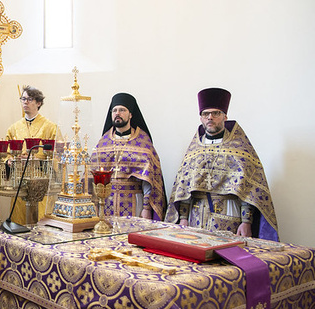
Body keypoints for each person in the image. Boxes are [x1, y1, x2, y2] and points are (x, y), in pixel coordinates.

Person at [165, 88, 279, 240]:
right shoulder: (194, 150)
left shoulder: (239, 147)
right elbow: (184, 186)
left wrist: (246, 222)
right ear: (201, 118)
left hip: (229, 212)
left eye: (216, 113)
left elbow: (250, 188)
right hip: (196, 215)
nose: (210, 117)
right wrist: (183, 218)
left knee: (226, 258)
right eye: (206, 114)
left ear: (225, 116)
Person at [91, 93, 166, 220]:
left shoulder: (143, 142)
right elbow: (91, 176)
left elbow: (149, 179)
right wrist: (94, 204)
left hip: (134, 202)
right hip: (106, 202)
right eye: (114, 110)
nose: (117, 113)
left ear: (130, 114)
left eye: (122, 110)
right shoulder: (103, 143)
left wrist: (146, 208)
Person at [5, 85, 58, 224]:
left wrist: (37, 160)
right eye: (23, 99)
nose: (25, 102)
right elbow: (6, 154)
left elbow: (58, 156)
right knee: (19, 222)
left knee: (40, 223)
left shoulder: (50, 127)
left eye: (29, 99)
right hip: (20, 182)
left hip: (41, 183)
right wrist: (10, 161)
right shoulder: (14, 128)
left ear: (38, 103)